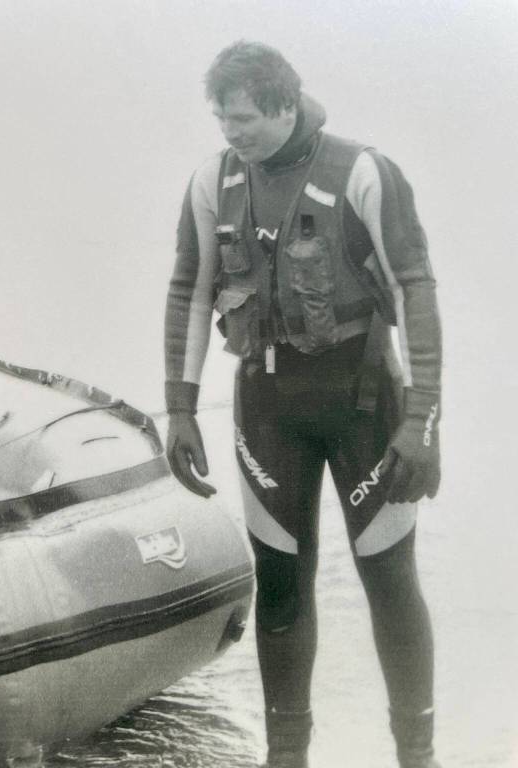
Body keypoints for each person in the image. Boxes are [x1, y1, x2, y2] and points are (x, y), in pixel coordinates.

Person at [163, 42, 442, 768]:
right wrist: (181, 408)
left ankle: (418, 753)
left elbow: (416, 289)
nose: (234, 133)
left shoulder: (363, 174)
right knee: (282, 584)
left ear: (288, 104)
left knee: (388, 580)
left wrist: (422, 421)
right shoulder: (212, 180)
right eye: (223, 119)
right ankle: (286, 757)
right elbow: (187, 293)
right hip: (266, 404)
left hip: (362, 401)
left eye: (247, 118)